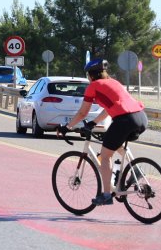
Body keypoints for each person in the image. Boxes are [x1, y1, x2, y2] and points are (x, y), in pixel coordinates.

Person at [60, 58, 148, 206]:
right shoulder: (114, 82)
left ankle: (106, 195)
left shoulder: (93, 86)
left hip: (125, 120)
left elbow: (82, 113)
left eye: (88, 75)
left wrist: (67, 127)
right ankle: (136, 170)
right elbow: (109, 108)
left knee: (105, 156)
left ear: (91, 75)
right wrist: (94, 122)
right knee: (114, 143)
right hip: (141, 117)